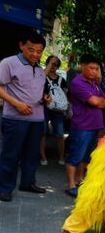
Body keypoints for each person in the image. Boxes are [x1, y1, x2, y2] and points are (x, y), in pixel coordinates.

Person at [0, 31, 48, 202]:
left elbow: (36, 91)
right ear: (21, 45)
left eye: (39, 51)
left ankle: (28, 183)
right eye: (31, 50)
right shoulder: (8, 63)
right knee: (10, 154)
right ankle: (4, 188)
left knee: (31, 154)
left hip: (36, 119)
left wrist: (44, 98)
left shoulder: (40, 69)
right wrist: (16, 104)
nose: (35, 54)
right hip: (14, 118)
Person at [64, 54, 105, 198]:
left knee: (86, 157)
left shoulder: (95, 84)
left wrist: (100, 101)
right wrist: (100, 101)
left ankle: (80, 181)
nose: (95, 72)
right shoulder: (78, 83)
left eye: (97, 69)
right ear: (82, 66)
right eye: (91, 68)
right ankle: (71, 185)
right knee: (75, 155)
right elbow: (96, 102)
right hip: (82, 126)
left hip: (95, 126)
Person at [40, 55, 68, 166]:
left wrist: (66, 108)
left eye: (55, 64)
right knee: (42, 133)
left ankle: (61, 157)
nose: (53, 66)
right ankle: (43, 157)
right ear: (47, 64)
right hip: (43, 107)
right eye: (51, 63)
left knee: (60, 134)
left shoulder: (62, 80)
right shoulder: (41, 77)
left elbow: (65, 95)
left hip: (58, 110)